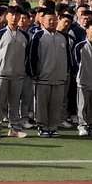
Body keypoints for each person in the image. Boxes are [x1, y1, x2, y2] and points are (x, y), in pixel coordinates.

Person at [27, 9, 72, 137]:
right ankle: (42, 127)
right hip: (42, 78)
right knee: (42, 105)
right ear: (42, 21)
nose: (52, 22)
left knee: (56, 104)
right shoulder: (38, 36)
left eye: (54, 19)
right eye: (49, 20)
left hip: (59, 77)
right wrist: (34, 73)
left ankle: (53, 126)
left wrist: (67, 71)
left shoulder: (63, 37)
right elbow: (32, 57)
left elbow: (68, 57)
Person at [0, 8, 31, 139]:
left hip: (18, 75)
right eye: (12, 15)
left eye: (17, 15)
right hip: (1, 74)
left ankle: (14, 128)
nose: (14, 17)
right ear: (7, 16)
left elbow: (27, 55)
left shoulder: (25, 35)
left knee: (14, 103)